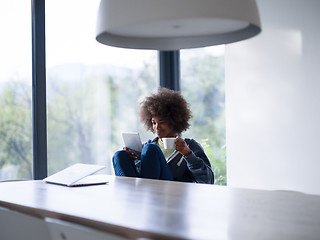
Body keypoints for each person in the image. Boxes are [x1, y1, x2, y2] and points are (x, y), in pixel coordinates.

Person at [112, 88, 214, 184]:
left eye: (162, 122)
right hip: (143, 192)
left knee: (150, 149)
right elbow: (141, 176)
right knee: (119, 155)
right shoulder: (147, 146)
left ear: (174, 121)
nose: (157, 127)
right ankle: (130, 198)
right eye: (154, 123)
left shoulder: (189, 146)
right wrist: (134, 161)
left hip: (171, 193)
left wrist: (188, 155)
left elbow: (208, 181)